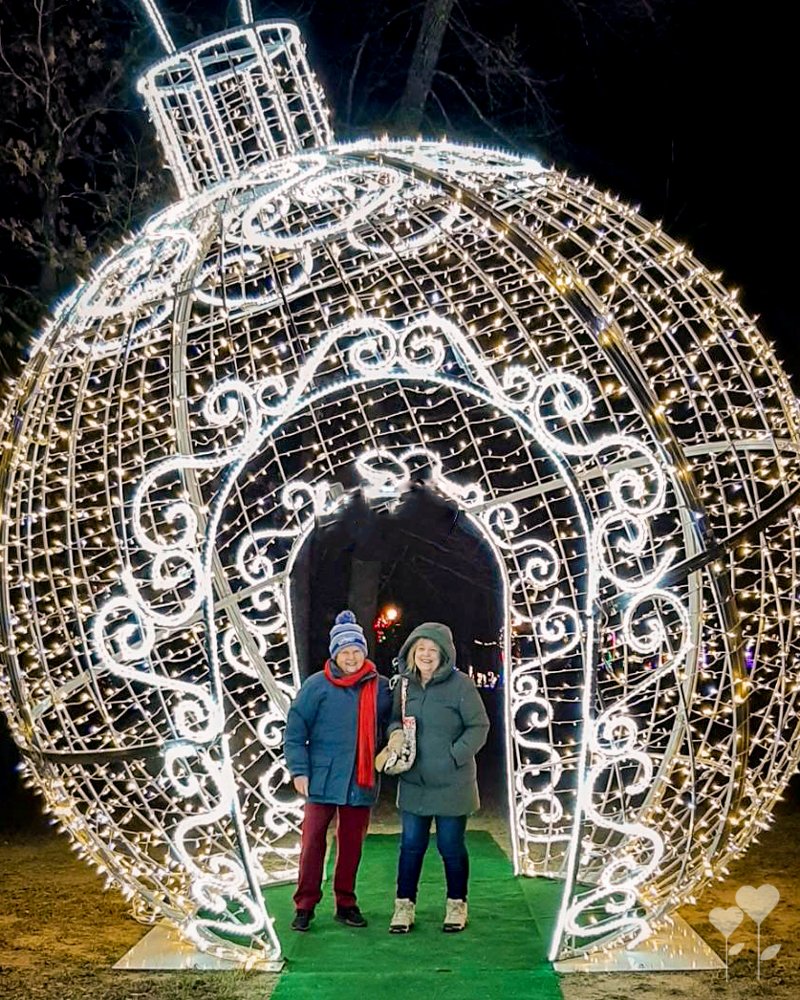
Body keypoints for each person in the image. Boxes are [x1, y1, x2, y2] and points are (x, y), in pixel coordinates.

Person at [284, 609, 391, 932]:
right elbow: (295, 729)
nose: (352, 657)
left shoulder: (380, 687)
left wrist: (393, 742)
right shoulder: (316, 686)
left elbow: (393, 720)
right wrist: (299, 770)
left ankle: (346, 902)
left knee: (352, 845)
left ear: (364, 651)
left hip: (360, 779)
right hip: (321, 778)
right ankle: (305, 905)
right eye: (345, 651)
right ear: (335, 654)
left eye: (357, 651)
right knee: (313, 842)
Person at [384, 622, 489, 934]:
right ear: (412, 652)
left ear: (444, 655)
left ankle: (457, 905)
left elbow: (479, 726)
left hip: (453, 784)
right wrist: (395, 735)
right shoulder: (404, 685)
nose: (426, 655)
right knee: (411, 845)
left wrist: (454, 755)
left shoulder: (461, 685)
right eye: (421, 649)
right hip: (414, 781)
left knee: (450, 846)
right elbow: (392, 721)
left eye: (433, 650)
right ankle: (404, 906)